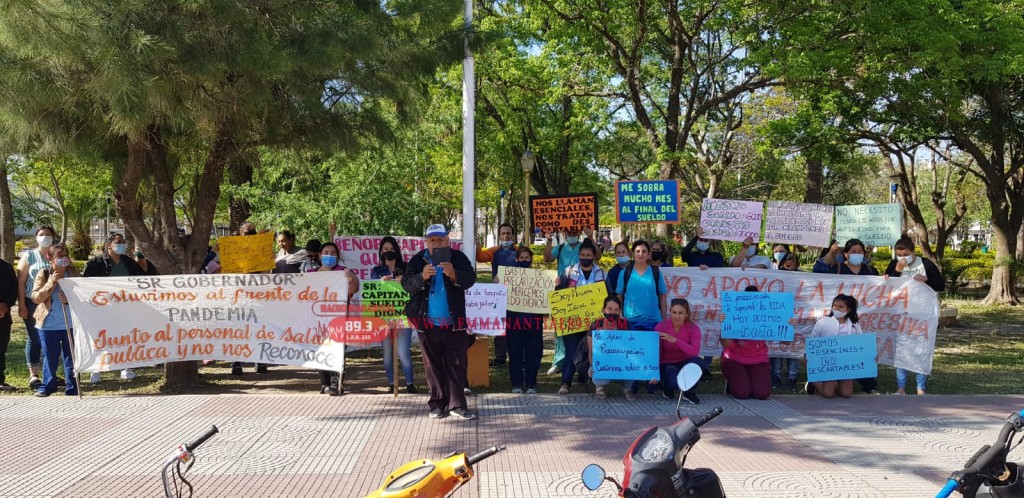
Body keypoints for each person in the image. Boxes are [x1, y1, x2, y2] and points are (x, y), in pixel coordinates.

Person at [403, 224, 478, 420]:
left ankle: (457, 405)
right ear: (426, 242)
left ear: (448, 241)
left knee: (457, 363)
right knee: (431, 365)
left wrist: (454, 274)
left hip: (455, 322)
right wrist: (421, 276)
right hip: (426, 322)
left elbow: (470, 279)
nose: (436, 243)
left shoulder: (458, 258)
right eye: (432, 240)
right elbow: (406, 284)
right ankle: (437, 404)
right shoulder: (418, 260)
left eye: (440, 239)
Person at [885, 236, 946, 395]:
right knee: (901, 349)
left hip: (922, 314)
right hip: (901, 314)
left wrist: (926, 279)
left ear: (913, 251)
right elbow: (886, 285)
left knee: (921, 348)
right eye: (899, 254)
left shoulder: (925, 264)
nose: (902, 258)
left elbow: (940, 285)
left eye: (906, 254)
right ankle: (901, 388)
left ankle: (920, 388)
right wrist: (897, 271)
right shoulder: (894, 264)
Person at [84, 232, 146, 383]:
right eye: (118, 242)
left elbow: (141, 277)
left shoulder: (128, 262)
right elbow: (85, 283)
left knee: (124, 337)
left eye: (123, 242)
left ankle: (126, 367)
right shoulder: (96, 262)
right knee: (100, 338)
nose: (121, 245)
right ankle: (96, 370)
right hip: (102, 308)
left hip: (125, 308)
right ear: (108, 245)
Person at [615, 240, 668, 397]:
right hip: (631, 319)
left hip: (653, 319)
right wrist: (620, 313)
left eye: (644, 251)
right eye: (637, 251)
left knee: (652, 353)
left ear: (648, 254)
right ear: (633, 253)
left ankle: (652, 384)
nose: (640, 254)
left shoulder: (656, 272)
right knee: (632, 353)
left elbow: (663, 296)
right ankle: (631, 386)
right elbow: (619, 295)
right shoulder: (625, 273)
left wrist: (664, 318)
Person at [31, 243, 79, 397]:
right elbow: (36, 297)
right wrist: (51, 282)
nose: (63, 259)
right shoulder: (44, 273)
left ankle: (72, 387)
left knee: (71, 357)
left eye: (65, 256)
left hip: (70, 323)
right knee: (50, 357)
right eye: (59, 256)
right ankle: (48, 386)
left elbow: (83, 296)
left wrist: (69, 299)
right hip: (48, 325)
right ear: (50, 258)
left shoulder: (74, 273)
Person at [557, 240, 605, 394]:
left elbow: (609, 295)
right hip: (572, 320)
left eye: (588, 255)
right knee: (571, 351)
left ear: (593, 256)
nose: (585, 257)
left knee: (591, 351)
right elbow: (559, 293)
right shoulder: (569, 271)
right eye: (582, 255)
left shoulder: (602, 273)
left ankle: (583, 381)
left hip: (594, 321)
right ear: (578, 255)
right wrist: (557, 285)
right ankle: (565, 383)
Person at [371, 236, 416, 394]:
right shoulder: (376, 271)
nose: (389, 252)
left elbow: (414, 285)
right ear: (381, 252)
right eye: (385, 249)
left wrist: (404, 280)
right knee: (387, 353)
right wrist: (380, 282)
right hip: (384, 317)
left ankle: (410, 384)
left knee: (403, 352)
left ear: (397, 250)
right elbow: (372, 288)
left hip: (403, 316)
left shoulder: (406, 268)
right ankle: (392, 383)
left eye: (391, 249)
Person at [315, 241, 360, 394]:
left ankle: (336, 383)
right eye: (326, 252)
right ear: (320, 255)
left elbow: (354, 288)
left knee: (336, 350)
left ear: (338, 256)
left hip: (339, 320)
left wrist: (350, 278)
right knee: (319, 350)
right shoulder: (310, 274)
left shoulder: (343, 272)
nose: (329, 255)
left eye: (333, 253)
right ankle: (324, 383)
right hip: (316, 321)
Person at [542, 227, 589, 376]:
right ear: (564, 233)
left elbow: (598, 256)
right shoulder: (561, 248)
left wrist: (590, 237)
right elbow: (547, 258)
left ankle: (581, 362)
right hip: (563, 291)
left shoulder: (585, 247)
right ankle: (559, 362)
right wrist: (549, 240)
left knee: (583, 329)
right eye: (570, 232)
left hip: (583, 292)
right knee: (561, 328)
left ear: (580, 233)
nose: (572, 234)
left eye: (575, 232)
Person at [17, 226, 57, 389]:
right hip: (32, 302)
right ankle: (34, 375)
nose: (45, 237)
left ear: (53, 237)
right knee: (35, 338)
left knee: (50, 338)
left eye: (48, 235)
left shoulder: (57, 255)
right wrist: (21, 305)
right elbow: (21, 282)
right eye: (42, 234)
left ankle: (50, 372)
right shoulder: (29, 256)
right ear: (36, 237)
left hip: (53, 303)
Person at [476, 223, 520, 366]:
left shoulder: (519, 251)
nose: (506, 236)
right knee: (500, 325)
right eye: (503, 233)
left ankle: (518, 356)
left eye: (508, 233)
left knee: (517, 326)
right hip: (499, 294)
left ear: (512, 235)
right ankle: (500, 357)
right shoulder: (494, 251)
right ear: (499, 235)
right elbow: (480, 257)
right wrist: (477, 245)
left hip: (518, 294)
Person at [806, 294, 865, 398]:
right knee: (828, 394)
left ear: (848, 309)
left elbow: (861, 343)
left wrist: (869, 356)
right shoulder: (823, 322)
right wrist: (808, 355)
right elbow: (813, 340)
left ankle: (836, 385)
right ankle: (814, 382)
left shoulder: (854, 325)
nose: (836, 309)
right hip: (828, 363)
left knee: (846, 394)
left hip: (845, 363)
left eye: (841, 307)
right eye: (835, 306)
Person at [720, 286, 772, 400]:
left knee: (762, 394)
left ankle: (749, 382)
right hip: (734, 359)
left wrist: (788, 326)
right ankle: (735, 382)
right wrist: (725, 325)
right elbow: (725, 344)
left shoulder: (766, 316)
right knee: (741, 393)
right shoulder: (734, 314)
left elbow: (785, 342)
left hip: (759, 360)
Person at [506, 247, 544, 394]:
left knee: (534, 353)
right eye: (521, 258)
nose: (524, 260)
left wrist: (554, 283)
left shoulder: (539, 277)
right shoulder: (509, 276)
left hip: (534, 322)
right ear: (517, 259)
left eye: (527, 258)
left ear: (531, 260)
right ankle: (516, 383)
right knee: (514, 352)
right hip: (514, 321)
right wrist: (498, 281)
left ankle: (531, 384)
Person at [653, 298, 702, 403]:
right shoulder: (661, 326)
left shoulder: (694, 328)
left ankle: (689, 392)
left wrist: (675, 340)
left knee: (698, 364)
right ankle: (667, 387)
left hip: (686, 361)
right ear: (670, 312)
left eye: (681, 313)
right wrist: (654, 372)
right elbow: (655, 352)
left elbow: (694, 352)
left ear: (686, 314)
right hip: (667, 363)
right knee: (674, 382)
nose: (676, 316)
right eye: (674, 312)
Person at [584, 296, 631, 399]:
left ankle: (627, 389)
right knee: (599, 379)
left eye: (616, 309)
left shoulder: (624, 324)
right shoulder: (596, 325)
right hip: (602, 361)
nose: (612, 312)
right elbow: (591, 351)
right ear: (603, 309)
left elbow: (630, 349)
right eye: (609, 309)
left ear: (620, 311)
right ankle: (599, 386)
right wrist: (592, 366)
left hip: (620, 359)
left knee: (633, 366)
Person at [813, 238, 878, 276]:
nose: (857, 254)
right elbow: (820, 273)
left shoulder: (872, 271)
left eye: (860, 251)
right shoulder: (836, 269)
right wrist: (831, 253)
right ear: (846, 254)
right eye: (853, 251)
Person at [0, 256, 16, 391]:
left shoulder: (6, 267)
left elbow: (14, 289)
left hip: (3, 315)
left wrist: (6, 304)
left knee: (1, 348)